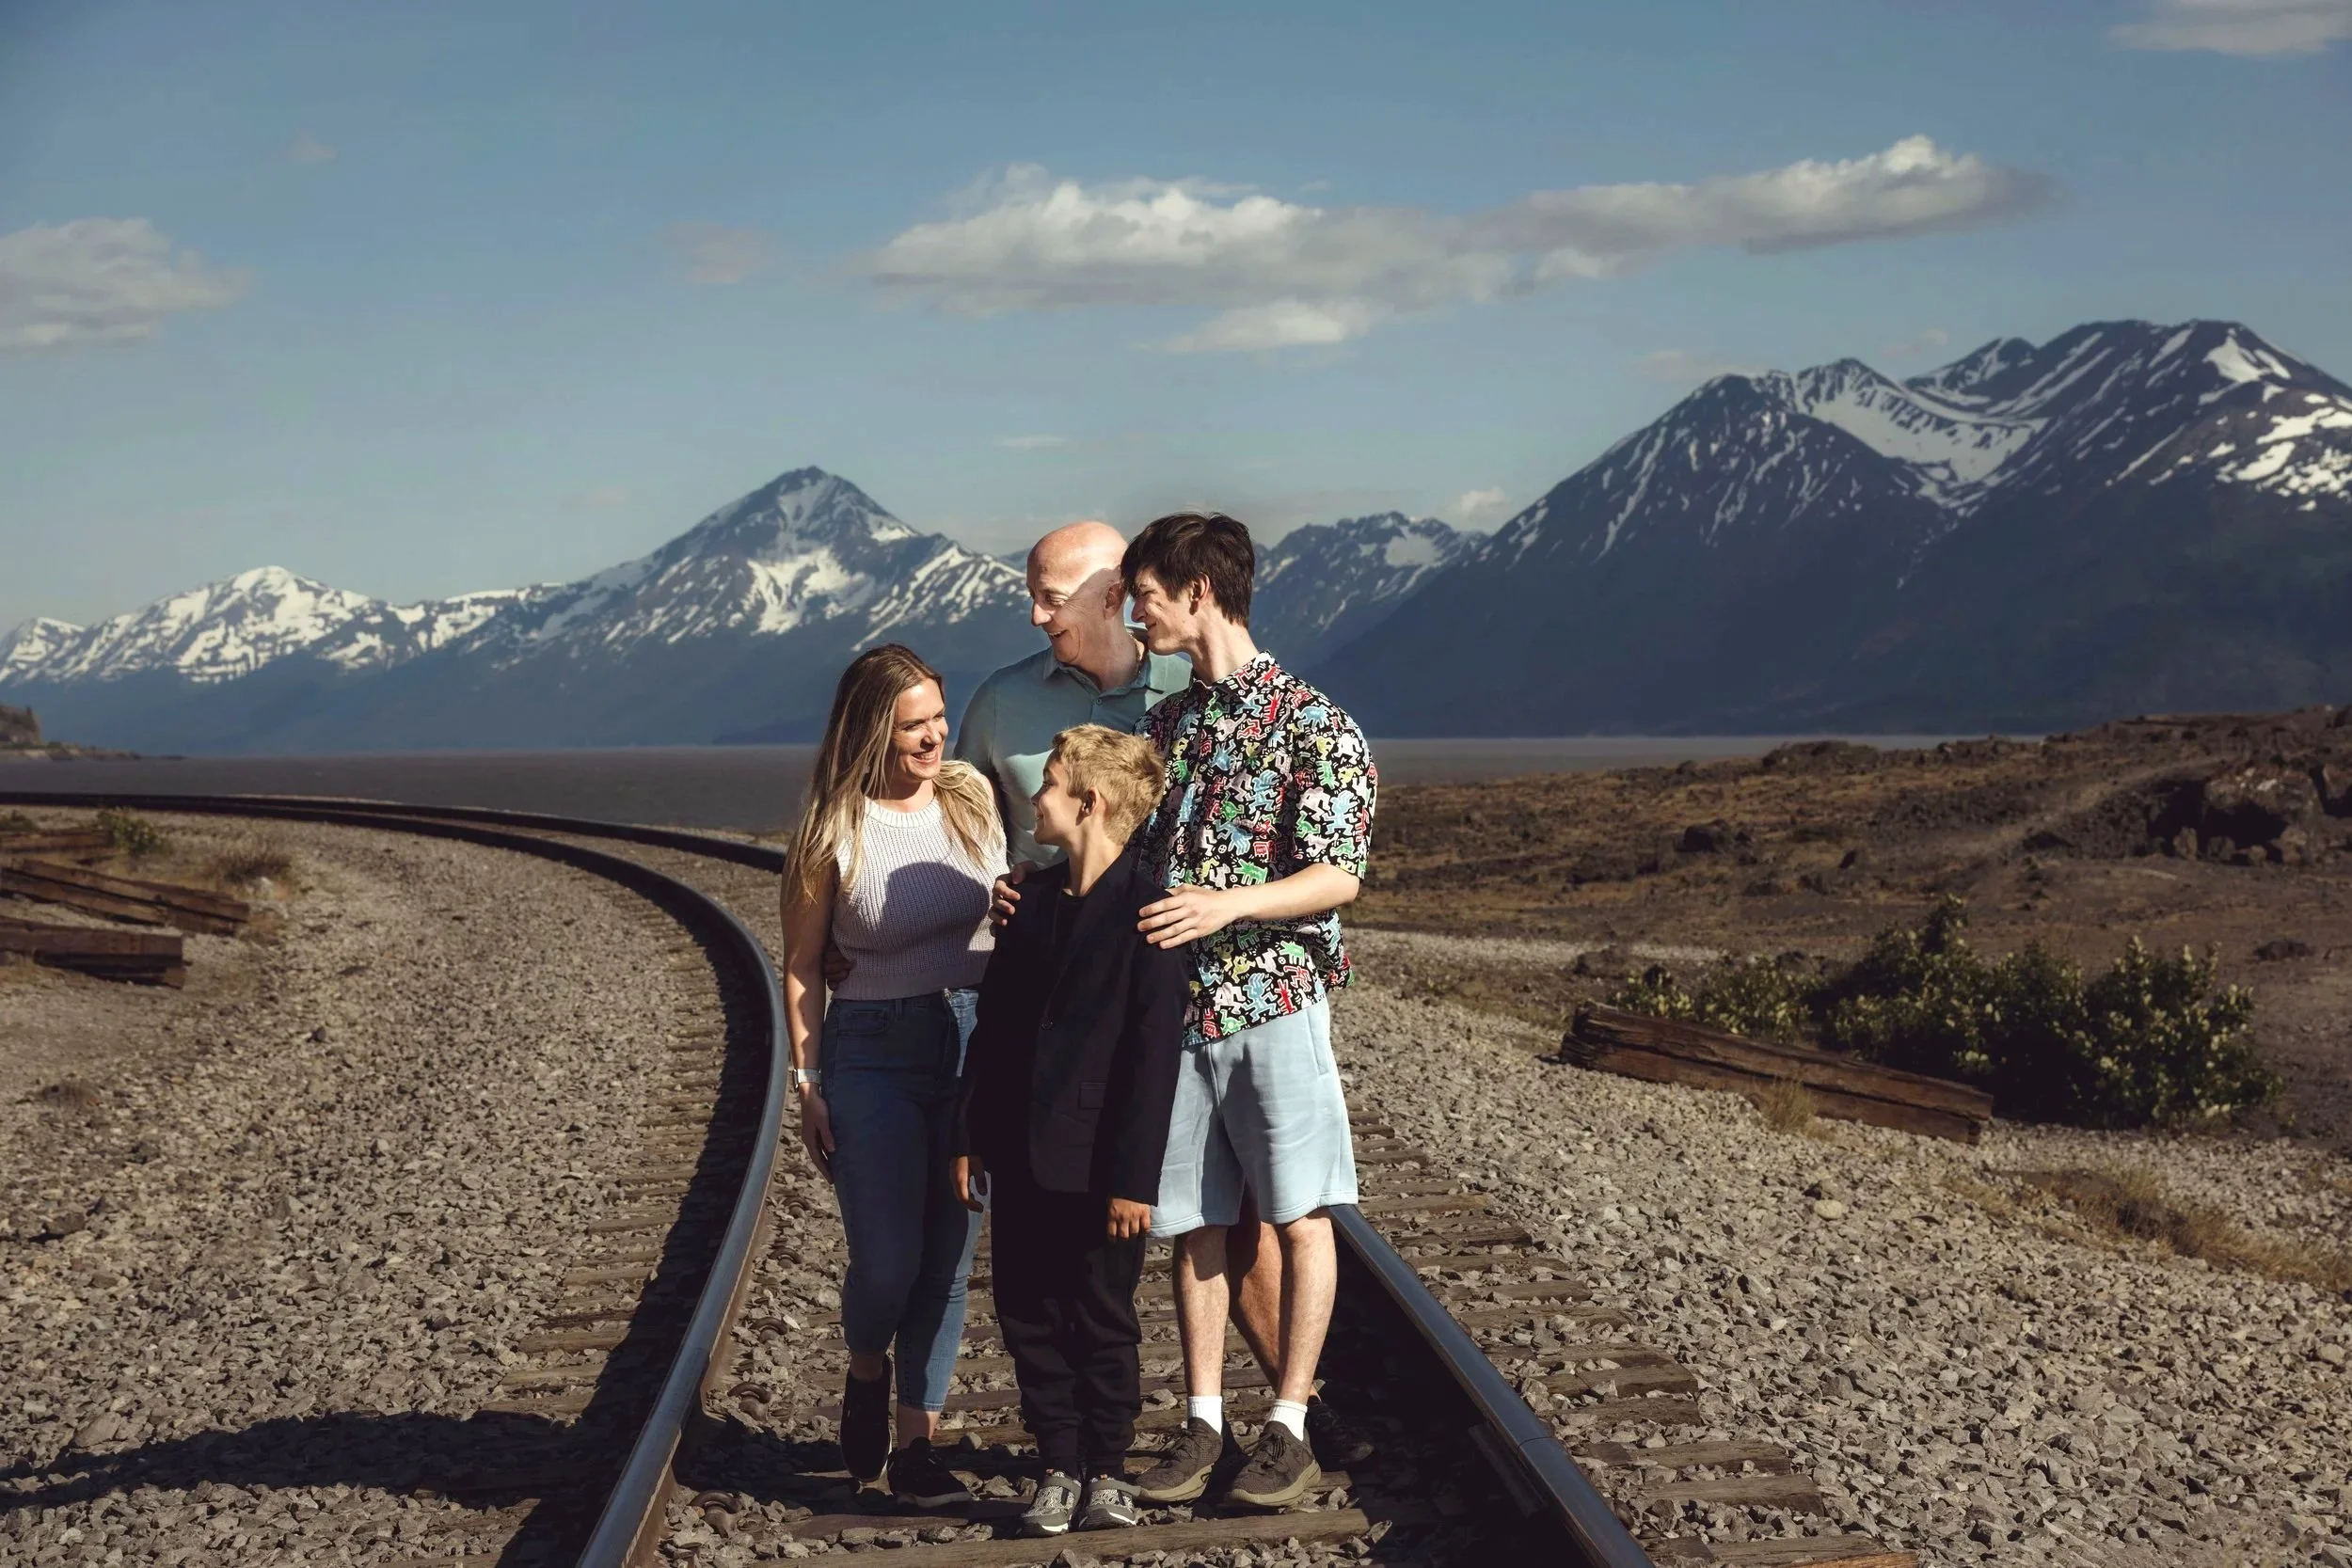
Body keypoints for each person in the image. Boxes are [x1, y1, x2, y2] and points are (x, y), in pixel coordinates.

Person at [1120, 512, 1378, 1511]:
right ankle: (1200, 1420)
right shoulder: (1163, 727)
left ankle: (1289, 1423)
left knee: (1300, 1213)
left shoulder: (1318, 724)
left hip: (1274, 998)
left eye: (1145, 595)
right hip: (1176, 1012)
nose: (1136, 615)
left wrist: (1225, 904)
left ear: (1197, 592)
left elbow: (1338, 876)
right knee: (1192, 1222)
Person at [778, 644, 1006, 1508]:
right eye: (915, 725)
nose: (936, 738)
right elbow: (801, 965)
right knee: (886, 1261)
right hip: (871, 1048)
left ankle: (918, 1445)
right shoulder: (832, 828)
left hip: (974, 1041)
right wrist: (809, 1081)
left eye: (939, 719)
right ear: (874, 728)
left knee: (948, 1257)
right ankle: (866, 1364)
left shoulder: (971, 796)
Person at [952, 725, 1190, 1538]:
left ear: (1090, 803)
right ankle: (1057, 1461)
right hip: (1019, 1150)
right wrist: (968, 1133)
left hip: (1099, 1165)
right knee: (1025, 1308)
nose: (1036, 797)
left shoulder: (1150, 914)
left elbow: (1152, 1062)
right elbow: (993, 1029)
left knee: (1102, 1312)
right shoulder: (1031, 902)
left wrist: (1134, 1178)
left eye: (1049, 784)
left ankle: (1109, 1468)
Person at [954, 519, 1190, 870]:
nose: (1036, 616)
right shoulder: (998, 698)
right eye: (1033, 596)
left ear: (1112, 598)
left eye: (1052, 598)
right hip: (1032, 920)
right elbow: (958, 827)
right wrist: (994, 882)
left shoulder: (1189, 692)